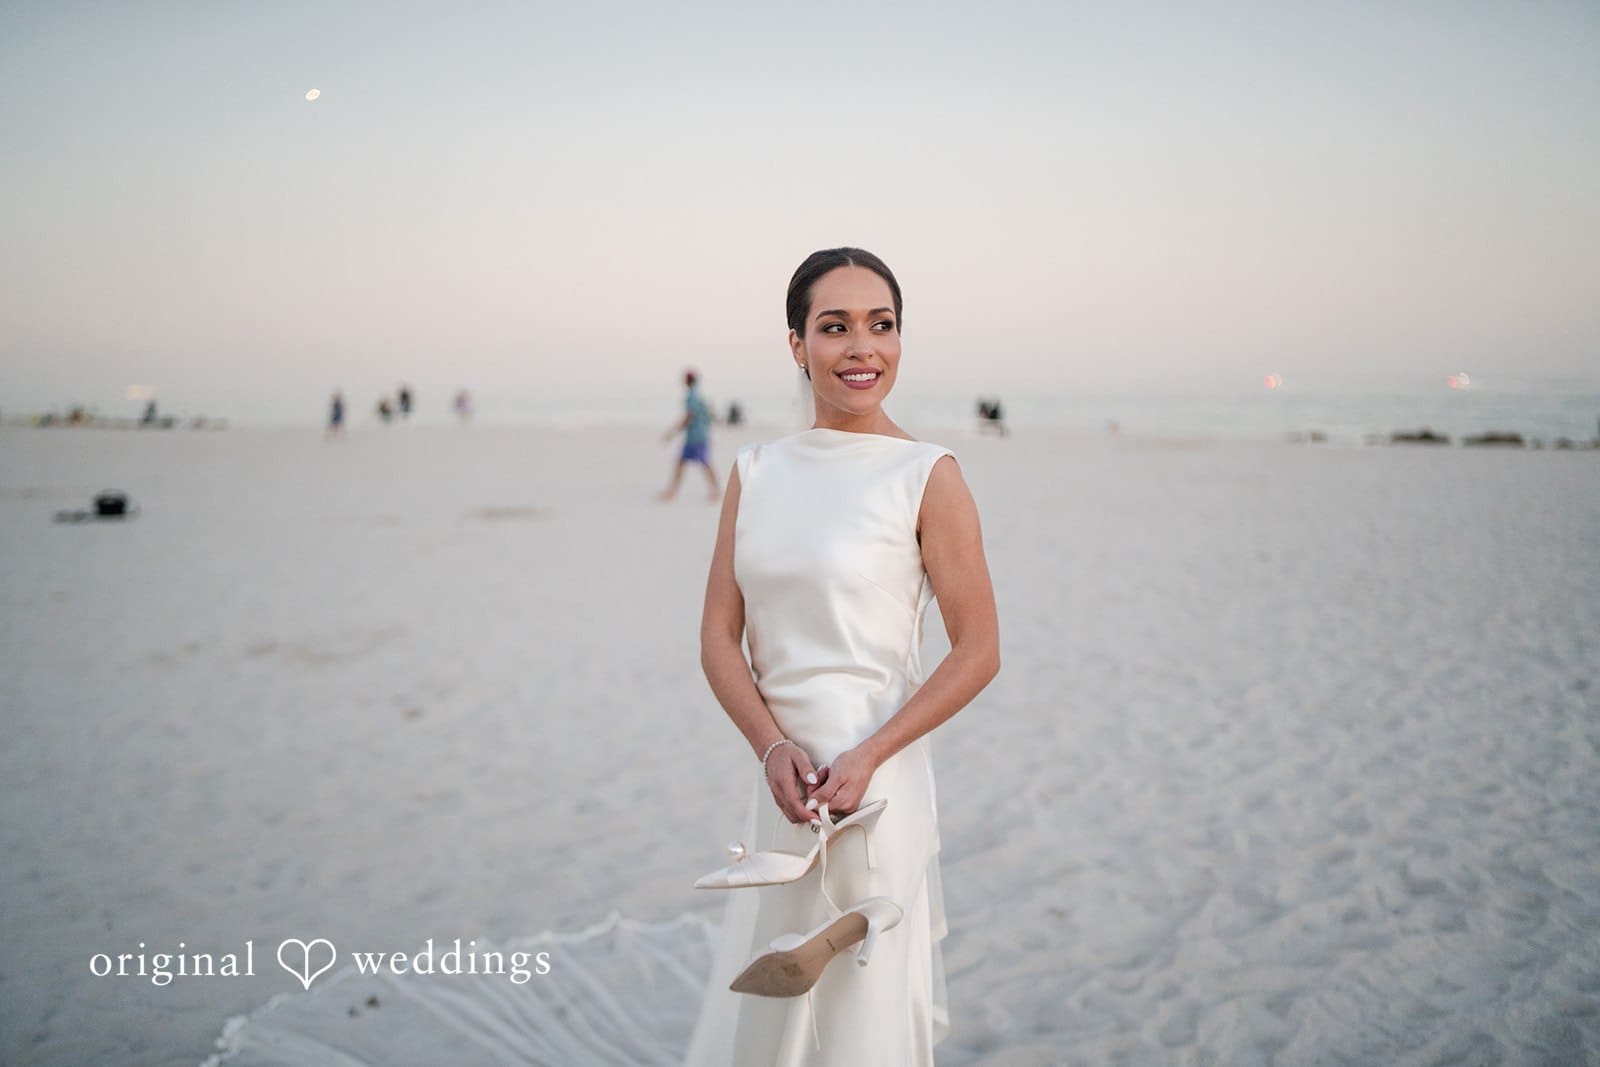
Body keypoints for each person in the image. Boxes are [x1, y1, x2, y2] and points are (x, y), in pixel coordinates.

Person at [684, 248, 1001, 1063]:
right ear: (797, 344)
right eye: (836, 327)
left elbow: (979, 650)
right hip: (784, 786)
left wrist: (871, 754)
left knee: (860, 1010)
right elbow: (719, 636)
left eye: (881, 325)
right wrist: (771, 746)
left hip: (876, 787)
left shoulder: (927, 474)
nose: (863, 347)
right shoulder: (754, 472)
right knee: (779, 999)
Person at [659, 369, 721, 502]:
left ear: (687, 381)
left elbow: (689, 416)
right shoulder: (698, 396)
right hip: (699, 436)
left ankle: (716, 491)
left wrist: (673, 432)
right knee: (682, 463)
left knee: (704, 464)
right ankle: (672, 492)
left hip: (695, 438)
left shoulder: (691, 397)